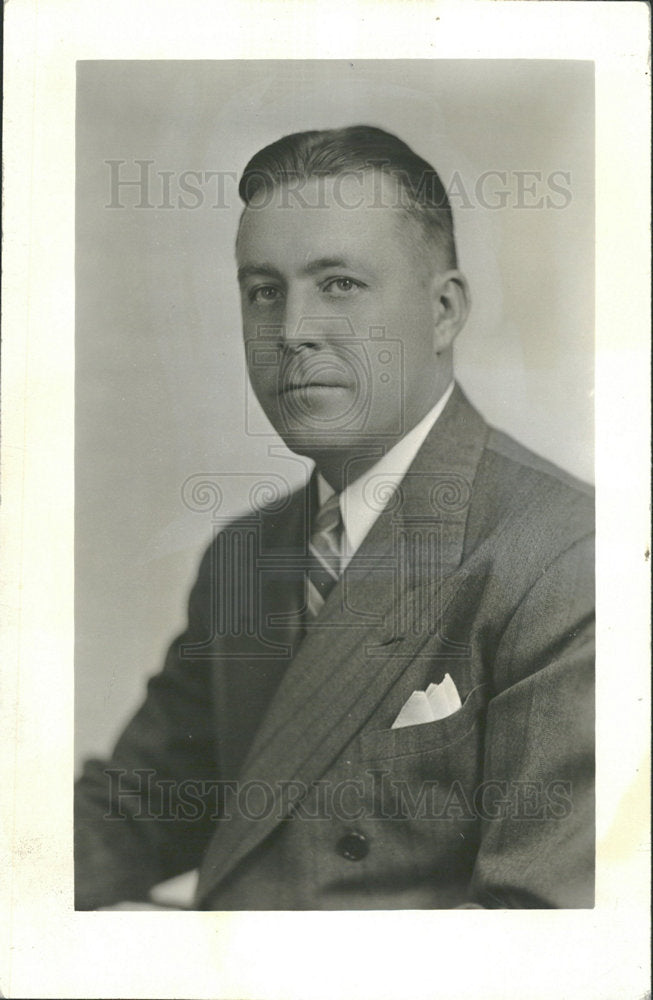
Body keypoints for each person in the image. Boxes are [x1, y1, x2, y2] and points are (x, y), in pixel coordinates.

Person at [75, 125, 594, 910]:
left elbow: (533, 947)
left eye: (340, 285)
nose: (291, 332)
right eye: (263, 291)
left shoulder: (563, 557)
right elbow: (134, 812)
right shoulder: (246, 556)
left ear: (444, 310)